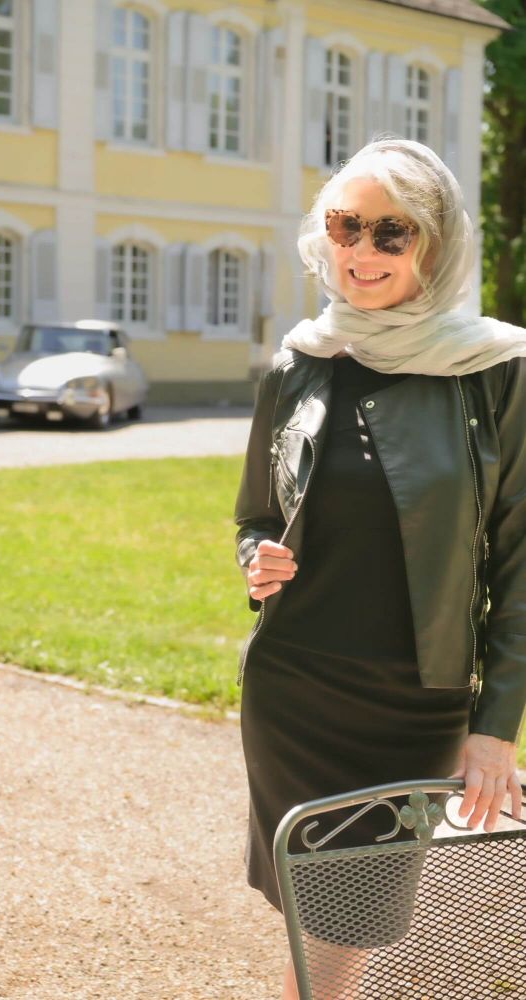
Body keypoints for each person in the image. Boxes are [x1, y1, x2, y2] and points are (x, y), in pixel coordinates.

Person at [233, 136, 526, 1000]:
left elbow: (519, 562)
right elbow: (255, 513)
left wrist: (494, 725)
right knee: (311, 909)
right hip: (295, 687)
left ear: (436, 243)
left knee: (354, 916)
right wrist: (256, 559)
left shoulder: (497, 372)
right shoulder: (299, 361)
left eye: (391, 232)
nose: (360, 251)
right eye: (344, 226)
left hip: (413, 702)